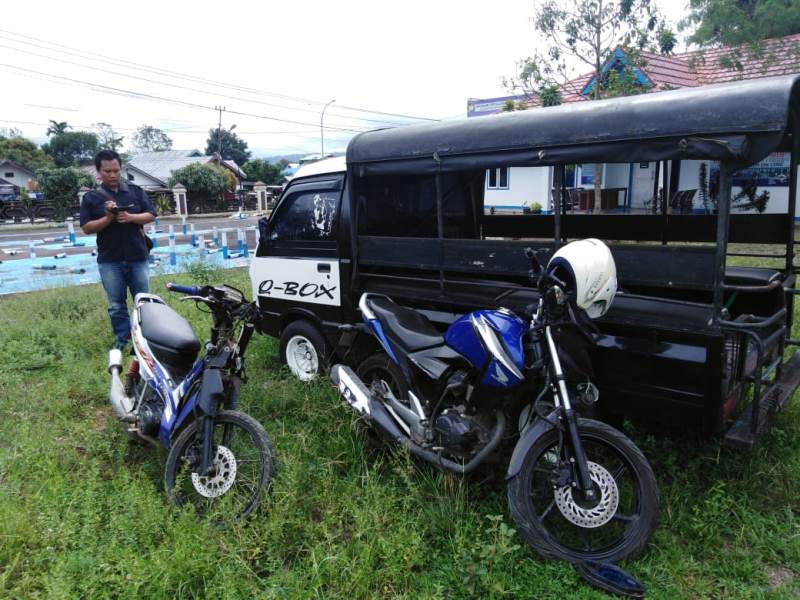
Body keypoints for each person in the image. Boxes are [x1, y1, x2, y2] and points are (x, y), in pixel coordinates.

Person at [80, 149, 156, 349]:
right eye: (107, 171)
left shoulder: (135, 191)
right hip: (109, 259)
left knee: (143, 301)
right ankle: (123, 339)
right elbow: (87, 228)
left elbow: (151, 214)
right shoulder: (91, 198)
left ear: (120, 169)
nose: (113, 175)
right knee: (116, 304)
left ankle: (146, 338)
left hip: (137, 255)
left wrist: (131, 217)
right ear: (98, 172)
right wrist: (108, 218)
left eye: (116, 170)